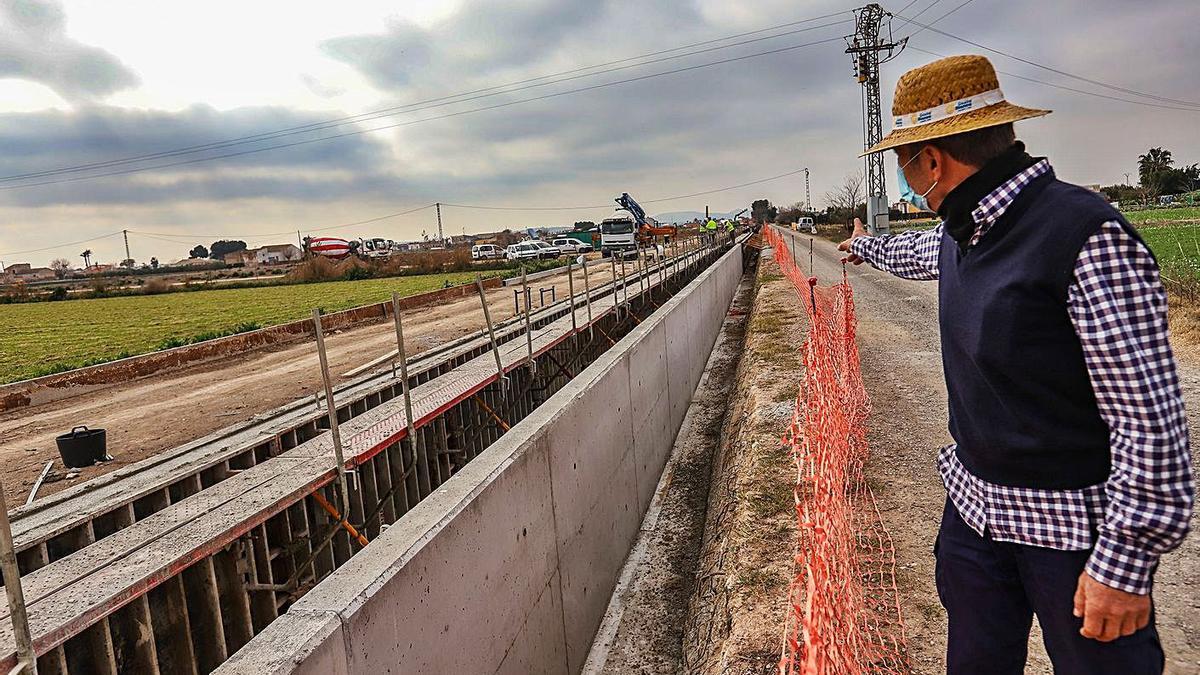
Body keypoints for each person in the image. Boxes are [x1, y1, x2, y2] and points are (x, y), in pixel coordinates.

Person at [838, 55, 1192, 674]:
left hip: (1075, 539)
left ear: (932, 160)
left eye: (903, 162)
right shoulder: (961, 233)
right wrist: (863, 247)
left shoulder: (1084, 237)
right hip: (976, 516)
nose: (905, 178)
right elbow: (918, 253)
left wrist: (1125, 567)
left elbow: (1150, 423)